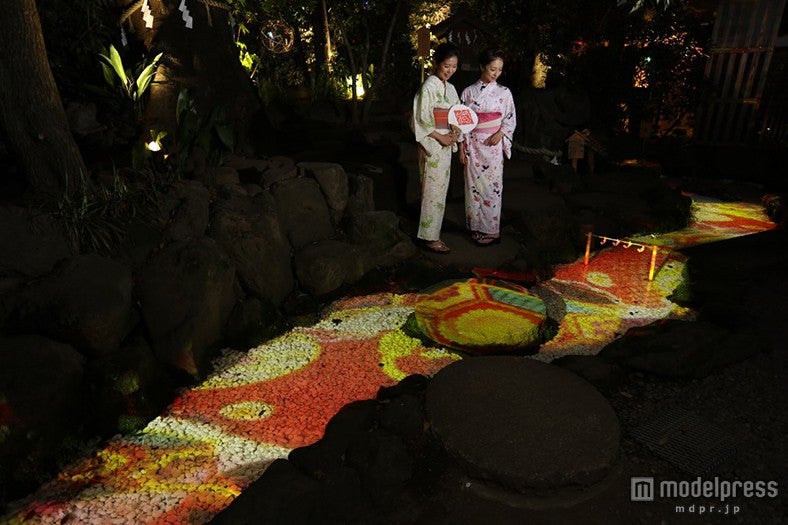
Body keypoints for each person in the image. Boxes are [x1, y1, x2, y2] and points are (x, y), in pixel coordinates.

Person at [460, 48, 517, 246]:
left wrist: (501, 133)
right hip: (473, 145)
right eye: (492, 69)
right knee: (473, 188)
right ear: (482, 67)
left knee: (493, 188)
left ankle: (491, 230)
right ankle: (476, 228)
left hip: (493, 146)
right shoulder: (468, 92)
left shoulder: (504, 93)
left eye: (499, 70)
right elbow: (462, 123)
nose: (496, 73)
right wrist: (462, 148)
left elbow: (509, 118)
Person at [411, 42, 461, 254]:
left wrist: (456, 131)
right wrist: (440, 136)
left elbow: (458, 113)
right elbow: (420, 120)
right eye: (446, 65)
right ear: (437, 63)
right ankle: (429, 237)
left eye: (454, 66)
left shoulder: (450, 89)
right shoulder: (429, 86)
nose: (450, 70)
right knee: (432, 191)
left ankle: (432, 232)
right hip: (432, 143)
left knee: (441, 190)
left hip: (445, 142)